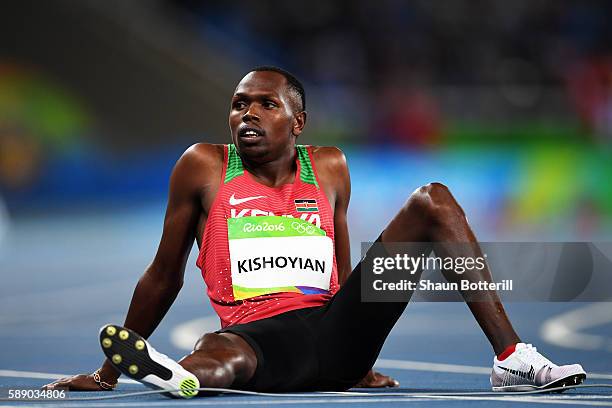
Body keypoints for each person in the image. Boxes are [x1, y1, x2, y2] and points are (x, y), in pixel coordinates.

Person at [44, 66, 586, 397]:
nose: (246, 114)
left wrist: (362, 356)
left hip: (337, 335)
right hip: (255, 336)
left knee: (434, 200)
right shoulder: (204, 166)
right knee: (221, 360)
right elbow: (164, 276)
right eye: (238, 105)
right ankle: (177, 376)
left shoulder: (329, 166)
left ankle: (512, 357)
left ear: (297, 122)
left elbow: (342, 271)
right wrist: (109, 372)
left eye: (265, 104)